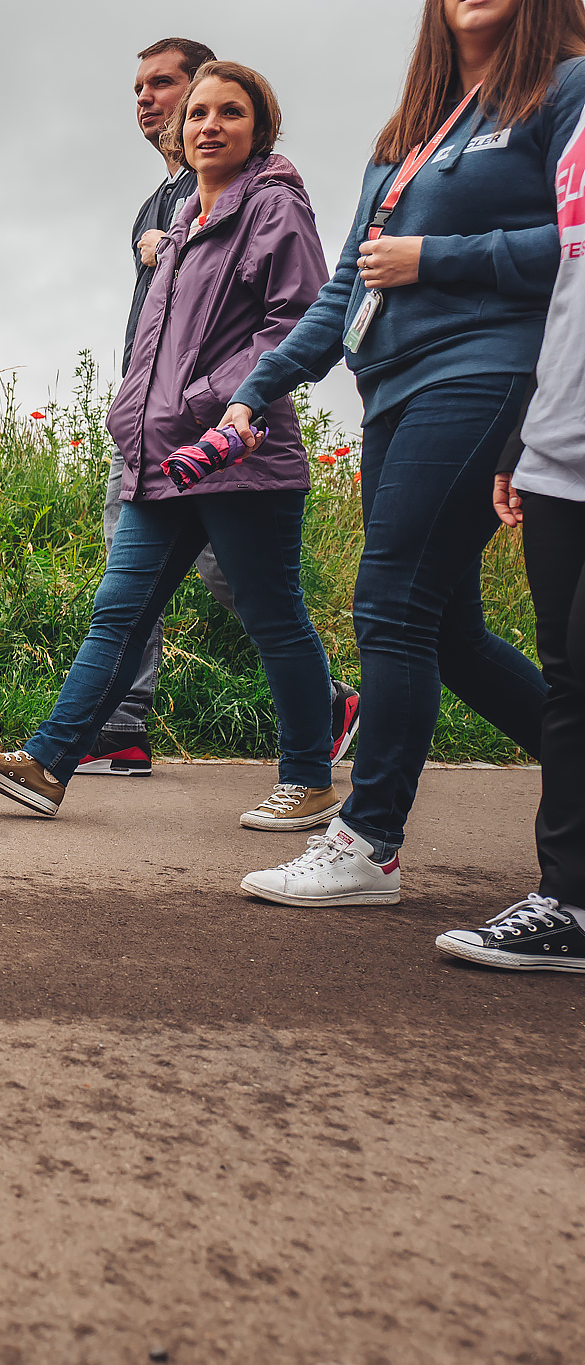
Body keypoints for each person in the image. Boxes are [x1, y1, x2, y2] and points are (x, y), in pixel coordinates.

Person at [232, 0, 585, 908]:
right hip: (391, 387)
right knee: (450, 634)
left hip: (487, 371)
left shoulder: (565, 88)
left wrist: (440, 257)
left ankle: (368, 843)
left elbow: (574, 241)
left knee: (391, 602)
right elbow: (347, 285)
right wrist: (257, 389)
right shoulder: (407, 134)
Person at [0, 64, 344, 833]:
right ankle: (48, 764)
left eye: (230, 112)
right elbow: (155, 345)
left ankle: (308, 779)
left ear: (260, 127)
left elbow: (298, 325)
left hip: (239, 454)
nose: (209, 125)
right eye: (198, 113)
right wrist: (134, 415)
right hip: (161, 457)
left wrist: (208, 403)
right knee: (118, 614)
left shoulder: (275, 207)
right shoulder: (184, 222)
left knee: (273, 616)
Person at [84, 37, 361, 779]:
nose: (148, 99)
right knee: (131, 587)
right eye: (139, 88)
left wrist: (219, 401)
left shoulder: (249, 196)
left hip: (215, 431)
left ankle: (320, 716)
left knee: (242, 586)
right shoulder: (163, 203)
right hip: (150, 424)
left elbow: (290, 316)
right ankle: (117, 728)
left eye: (164, 85)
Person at [435, 82, 585, 971]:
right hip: (560, 436)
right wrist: (521, 432)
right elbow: (568, 286)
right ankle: (569, 899)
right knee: (567, 678)